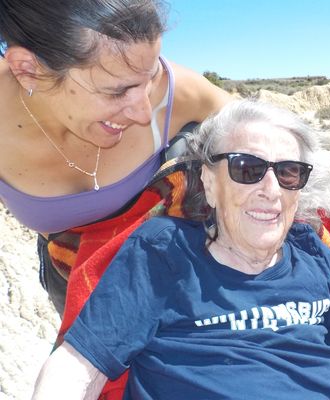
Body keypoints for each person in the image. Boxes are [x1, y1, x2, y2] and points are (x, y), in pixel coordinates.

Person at [32, 100, 330, 400]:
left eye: (288, 173)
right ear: (209, 183)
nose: (271, 189)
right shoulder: (163, 253)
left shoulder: (315, 254)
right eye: (248, 168)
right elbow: (79, 369)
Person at [0, 0, 231, 315]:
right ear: (28, 70)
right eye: (116, 91)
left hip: (175, 278)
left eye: (149, 78)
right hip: (69, 281)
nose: (143, 113)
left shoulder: (175, 92)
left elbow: (273, 140)